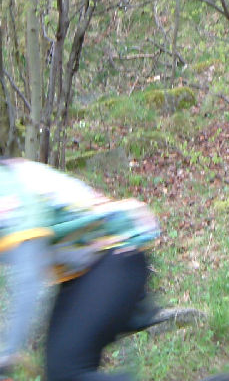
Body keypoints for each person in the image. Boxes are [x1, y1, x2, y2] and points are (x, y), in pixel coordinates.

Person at [0, 158, 162, 381]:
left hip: (117, 253)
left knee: (67, 374)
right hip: (82, 271)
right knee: (60, 373)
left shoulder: (6, 188)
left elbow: (29, 278)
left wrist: (7, 354)